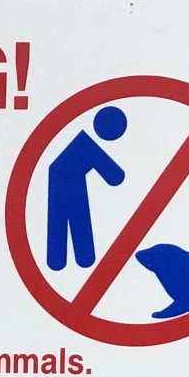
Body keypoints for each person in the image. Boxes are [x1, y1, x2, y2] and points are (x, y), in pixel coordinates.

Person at [46, 105, 128, 270]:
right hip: (68, 190)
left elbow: (115, 176)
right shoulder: (85, 146)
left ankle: (66, 261)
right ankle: (70, 261)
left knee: (66, 230)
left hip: (64, 189)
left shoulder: (82, 146)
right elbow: (115, 176)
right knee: (75, 225)